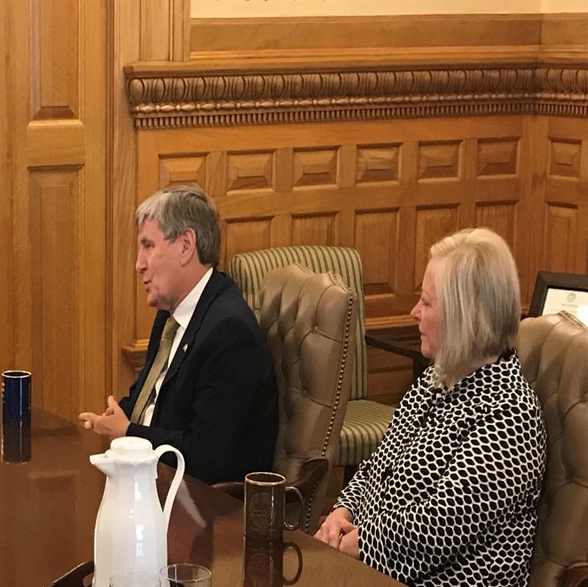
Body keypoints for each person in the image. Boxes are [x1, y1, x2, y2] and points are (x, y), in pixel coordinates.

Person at [315, 228, 546, 587]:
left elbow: (442, 524)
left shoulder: (510, 413)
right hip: (366, 570)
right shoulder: (435, 380)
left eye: (426, 302)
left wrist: (355, 543)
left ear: (464, 316)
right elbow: (378, 467)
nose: (414, 312)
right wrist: (340, 512)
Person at [79, 185, 277, 484]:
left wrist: (128, 433)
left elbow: (208, 457)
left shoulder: (229, 332)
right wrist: (115, 417)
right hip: (153, 481)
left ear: (186, 245)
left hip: (204, 508)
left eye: (148, 246)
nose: (138, 264)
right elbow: (149, 398)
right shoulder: (172, 314)